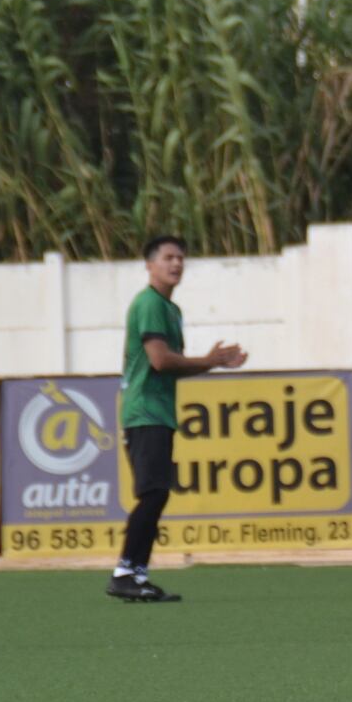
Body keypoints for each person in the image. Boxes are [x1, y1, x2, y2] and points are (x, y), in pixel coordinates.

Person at [108, 236, 247, 603]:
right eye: (169, 257)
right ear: (150, 264)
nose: (177, 264)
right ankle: (126, 570)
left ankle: (135, 573)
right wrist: (210, 360)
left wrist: (210, 363)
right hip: (144, 411)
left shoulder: (171, 310)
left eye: (181, 258)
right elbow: (159, 360)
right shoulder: (150, 303)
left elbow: (172, 368)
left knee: (156, 492)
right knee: (153, 492)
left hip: (158, 411)